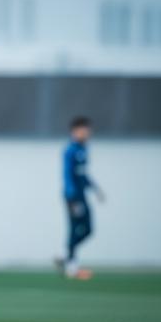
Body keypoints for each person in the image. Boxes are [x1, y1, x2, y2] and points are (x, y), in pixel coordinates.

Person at [58, 116, 104, 280]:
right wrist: (71, 197)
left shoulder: (84, 149)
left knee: (88, 229)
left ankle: (67, 256)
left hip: (82, 195)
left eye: (88, 130)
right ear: (75, 131)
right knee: (74, 227)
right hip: (73, 196)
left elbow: (83, 174)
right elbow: (67, 175)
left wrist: (96, 189)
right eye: (83, 130)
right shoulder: (70, 150)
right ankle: (71, 266)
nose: (87, 133)